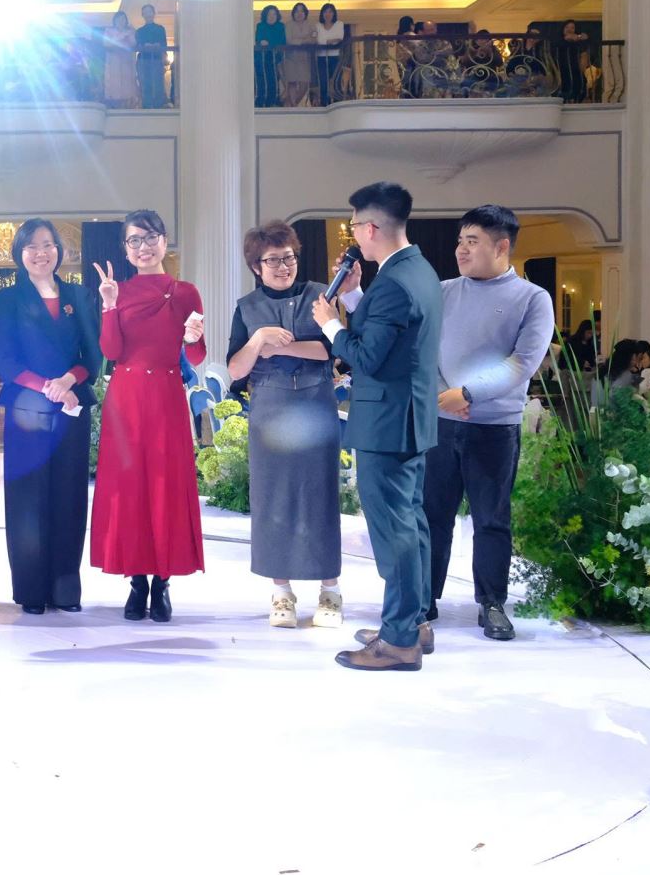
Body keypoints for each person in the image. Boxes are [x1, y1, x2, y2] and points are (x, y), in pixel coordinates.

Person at [312, 182, 442, 671]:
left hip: (387, 422)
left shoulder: (395, 282)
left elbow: (367, 357)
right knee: (412, 523)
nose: (353, 238)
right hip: (410, 417)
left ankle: (398, 641)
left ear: (370, 228)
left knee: (395, 532)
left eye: (353, 228)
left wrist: (330, 323)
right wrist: (355, 294)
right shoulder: (417, 270)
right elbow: (391, 332)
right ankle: (414, 622)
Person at [423, 206, 553, 642]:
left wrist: (469, 393)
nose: (460, 250)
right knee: (432, 515)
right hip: (441, 422)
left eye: (472, 241)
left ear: (501, 246)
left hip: (494, 427)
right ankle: (425, 597)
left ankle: (492, 602)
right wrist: (447, 395)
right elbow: (423, 351)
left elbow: (522, 363)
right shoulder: (442, 292)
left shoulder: (532, 298)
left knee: (491, 519)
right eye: (460, 241)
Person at [90, 209, 206, 623]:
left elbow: (198, 356)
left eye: (150, 237)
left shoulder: (186, 292)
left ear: (164, 241)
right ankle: (136, 580)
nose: (143, 247)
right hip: (126, 398)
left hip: (167, 396)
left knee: (164, 485)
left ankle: (162, 582)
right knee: (130, 488)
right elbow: (111, 352)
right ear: (125, 249)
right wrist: (108, 306)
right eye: (134, 240)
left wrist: (193, 339)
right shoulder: (117, 291)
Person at [226, 220, 342, 629]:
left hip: (315, 404)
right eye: (272, 260)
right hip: (270, 409)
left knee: (320, 495)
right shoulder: (246, 307)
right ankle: (281, 593)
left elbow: (331, 349)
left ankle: (330, 591)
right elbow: (236, 369)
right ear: (256, 267)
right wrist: (258, 340)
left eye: (288, 257)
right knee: (272, 497)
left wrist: (282, 348)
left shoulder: (320, 295)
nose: (283, 266)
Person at [0, 219, 102, 615]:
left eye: (48, 244)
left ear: (60, 250)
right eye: (32, 246)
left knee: (70, 496)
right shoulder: (8, 298)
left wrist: (69, 380)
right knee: (27, 498)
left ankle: (65, 589)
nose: (41, 253)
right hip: (27, 409)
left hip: (72, 407)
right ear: (19, 254)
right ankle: (32, 591)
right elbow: (4, 359)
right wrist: (47, 387)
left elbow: (94, 354)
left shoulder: (80, 295)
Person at [135, 4, 169, 109]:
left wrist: (157, 45)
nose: (147, 14)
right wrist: (145, 45)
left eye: (149, 11)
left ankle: (159, 105)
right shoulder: (139, 31)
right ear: (142, 15)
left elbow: (164, 44)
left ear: (154, 13)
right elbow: (138, 44)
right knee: (145, 82)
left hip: (157, 59)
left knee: (158, 81)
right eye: (145, 12)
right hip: (144, 59)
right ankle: (146, 105)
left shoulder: (160, 29)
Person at [282, 2, 316, 107]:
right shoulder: (288, 25)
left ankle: (291, 104)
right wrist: (304, 40)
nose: (299, 13)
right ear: (293, 13)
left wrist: (299, 40)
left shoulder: (311, 25)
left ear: (305, 13)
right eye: (297, 11)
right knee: (292, 82)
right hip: (291, 58)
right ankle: (293, 106)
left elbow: (314, 39)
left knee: (304, 84)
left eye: (302, 11)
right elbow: (289, 40)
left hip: (305, 59)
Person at [102, 10, 138, 108]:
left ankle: (127, 103)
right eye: (118, 19)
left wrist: (131, 33)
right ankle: (114, 103)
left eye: (123, 19)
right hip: (113, 60)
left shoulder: (129, 31)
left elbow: (133, 43)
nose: (121, 21)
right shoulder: (109, 31)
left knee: (127, 81)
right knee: (114, 81)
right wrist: (121, 36)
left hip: (126, 60)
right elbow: (107, 43)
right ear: (115, 20)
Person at [254, 6, 285, 108]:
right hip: (261, 58)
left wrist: (269, 43)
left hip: (275, 57)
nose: (272, 16)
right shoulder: (260, 26)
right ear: (265, 16)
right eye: (269, 14)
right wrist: (265, 42)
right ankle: (261, 100)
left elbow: (281, 41)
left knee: (274, 79)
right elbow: (259, 40)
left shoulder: (280, 26)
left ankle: (273, 100)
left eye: (274, 14)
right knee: (261, 79)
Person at [314, 2, 345, 105]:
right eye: (325, 12)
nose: (328, 14)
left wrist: (330, 41)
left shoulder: (339, 24)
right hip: (321, 57)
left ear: (334, 13)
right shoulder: (318, 25)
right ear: (322, 14)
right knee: (323, 81)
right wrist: (330, 41)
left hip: (335, 56)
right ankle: (324, 104)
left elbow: (340, 38)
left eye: (330, 12)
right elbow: (317, 39)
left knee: (336, 81)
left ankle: (337, 104)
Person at [559, 19, 590, 103]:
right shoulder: (558, 42)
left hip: (576, 73)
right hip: (562, 74)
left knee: (578, 94)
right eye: (567, 27)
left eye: (572, 28)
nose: (569, 29)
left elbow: (584, 59)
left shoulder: (579, 44)